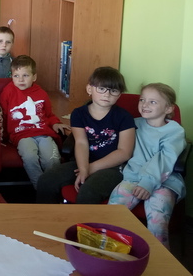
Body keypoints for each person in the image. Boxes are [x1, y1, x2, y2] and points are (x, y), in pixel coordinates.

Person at [36, 66, 135, 204]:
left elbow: (124, 152)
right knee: (46, 181)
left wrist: (90, 168)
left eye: (113, 90)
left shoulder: (124, 117)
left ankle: (82, 220)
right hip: (82, 161)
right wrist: (83, 168)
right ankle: (46, 217)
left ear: (119, 94)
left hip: (112, 167)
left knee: (88, 193)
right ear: (89, 89)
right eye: (101, 89)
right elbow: (81, 142)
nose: (107, 94)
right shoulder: (79, 113)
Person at [108, 83, 186, 247]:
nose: (144, 105)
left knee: (157, 223)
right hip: (133, 177)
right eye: (142, 100)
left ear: (168, 108)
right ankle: (110, 253)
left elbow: (165, 158)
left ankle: (160, 259)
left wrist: (147, 182)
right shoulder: (133, 123)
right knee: (112, 215)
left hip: (164, 181)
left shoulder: (175, 131)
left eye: (153, 102)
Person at [0, 55, 69, 188]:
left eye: (25, 75)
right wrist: (3, 136)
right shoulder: (8, 92)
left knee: (52, 159)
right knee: (30, 157)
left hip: (43, 132)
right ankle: (41, 188)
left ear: (34, 77)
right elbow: (4, 115)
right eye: (16, 76)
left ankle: (52, 187)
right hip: (21, 135)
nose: (20, 79)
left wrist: (55, 123)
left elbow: (49, 114)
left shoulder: (41, 93)